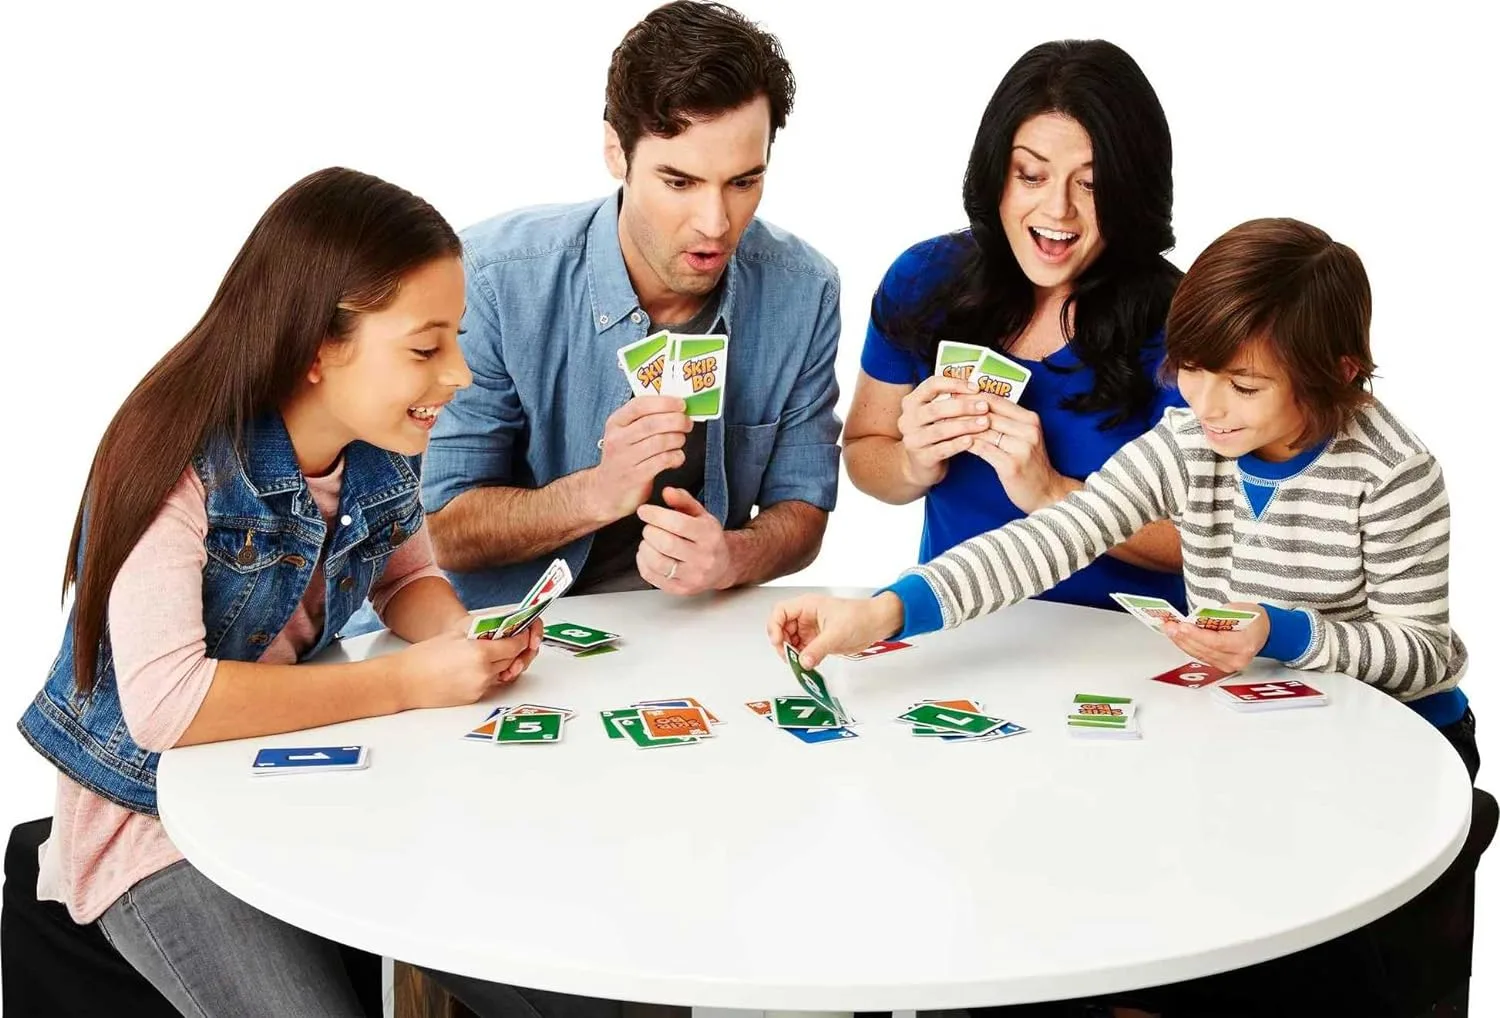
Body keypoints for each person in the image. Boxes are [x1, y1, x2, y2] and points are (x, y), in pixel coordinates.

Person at [769, 217, 1477, 1016]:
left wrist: (1278, 632)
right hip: (1264, 739)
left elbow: (1423, 653)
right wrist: (882, 612)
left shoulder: (1393, 475)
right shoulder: (1192, 439)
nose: (1207, 405)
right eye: (1195, 371)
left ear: (1338, 373)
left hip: (1399, 749)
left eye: (1244, 386)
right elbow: (1050, 538)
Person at [15, 166, 544, 1016]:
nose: (460, 375)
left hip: (287, 786)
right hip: (148, 825)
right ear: (316, 349)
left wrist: (453, 635)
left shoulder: (381, 449)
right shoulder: (173, 459)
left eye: (457, 340)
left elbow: (408, 576)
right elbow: (164, 706)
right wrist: (408, 683)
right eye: (425, 347)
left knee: (520, 952)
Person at [403, 0, 841, 614]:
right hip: (495, 631)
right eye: (679, 182)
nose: (715, 225)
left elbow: (803, 506)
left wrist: (732, 557)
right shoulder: (493, 278)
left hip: (689, 632)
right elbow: (438, 527)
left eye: (744, 182)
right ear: (617, 150)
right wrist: (598, 493)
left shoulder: (804, 290)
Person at [841, 39, 1186, 615]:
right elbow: (863, 451)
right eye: (1031, 175)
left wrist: (1052, 492)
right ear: (996, 173)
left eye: (1092, 184)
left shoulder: (1184, 322)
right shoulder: (923, 278)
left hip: (1125, 652)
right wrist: (911, 463)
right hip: (956, 633)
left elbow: (1210, 542)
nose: (1057, 211)